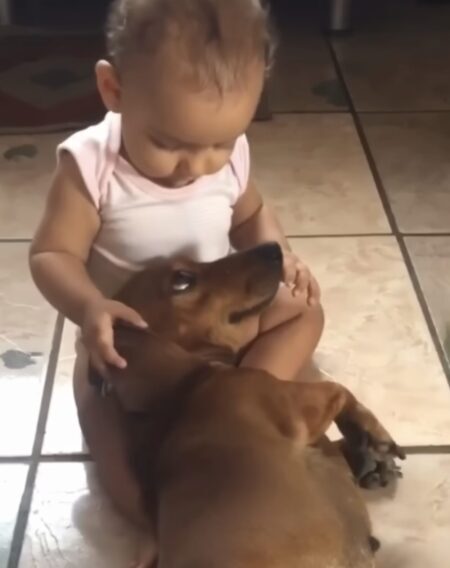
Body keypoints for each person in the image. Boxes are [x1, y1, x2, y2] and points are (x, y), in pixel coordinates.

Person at [30, 0, 324, 565]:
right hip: (130, 348)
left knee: (304, 310)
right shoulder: (91, 166)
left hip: (212, 325)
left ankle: (247, 398)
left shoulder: (227, 155)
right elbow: (51, 254)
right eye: (169, 145)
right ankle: (155, 522)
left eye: (220, 143)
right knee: (105, 426)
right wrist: (90, 307)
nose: (198, 165)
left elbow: (251, 215)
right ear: (114, 90)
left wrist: (283, 254)